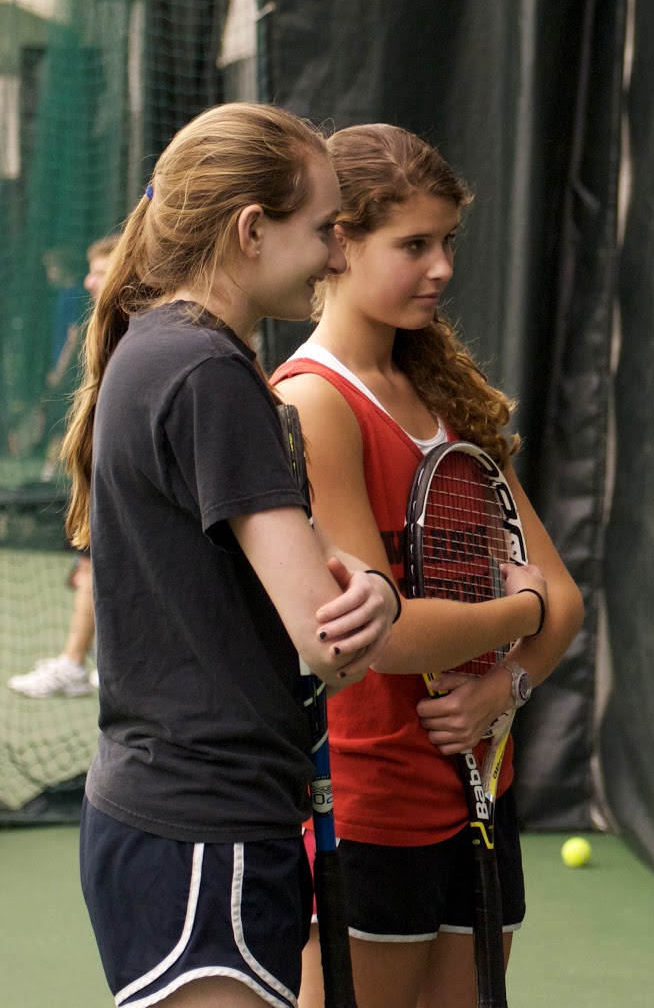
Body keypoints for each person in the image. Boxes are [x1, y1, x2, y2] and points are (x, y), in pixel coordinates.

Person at [60, 102, 401, 1008]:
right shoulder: (210, 373)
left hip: (179, 819)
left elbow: (327, 567)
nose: (338, 256)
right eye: (325, 229)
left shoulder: (164, 349)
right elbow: (330, 638)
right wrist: (372, 601)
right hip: (203, 833)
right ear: (252, 229)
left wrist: (371, 589)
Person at [272, 123, 583, 1008]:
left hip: (483, 785)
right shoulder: (312, 403)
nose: (441, 266)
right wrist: (516, 621)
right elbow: (388, 631)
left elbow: (564, 595)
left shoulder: (448, 394)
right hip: (372, 807)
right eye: (413, 244)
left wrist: (506, 688)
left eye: (447, 240)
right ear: (340, 242)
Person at [10, 235, 117, 698]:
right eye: (89, 270)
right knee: (95, 568)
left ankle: (79, 663)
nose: (90, 281)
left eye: (101, 269)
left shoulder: (143, 331)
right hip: (107, 479)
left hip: (123, 483)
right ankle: (91, 663)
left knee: (98, 569)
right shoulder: (103, 325)